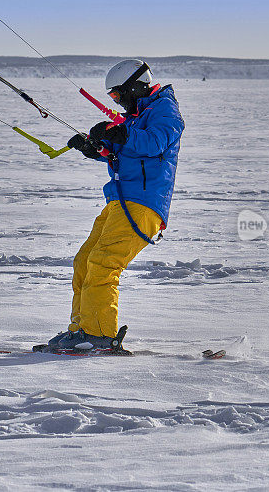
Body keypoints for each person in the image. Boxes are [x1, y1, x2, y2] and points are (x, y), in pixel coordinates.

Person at [45, 59, 185, 351]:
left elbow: (155, 142)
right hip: (121, 200)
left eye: (118, 95)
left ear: (135, 87)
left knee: (103, 263)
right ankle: (82, 330)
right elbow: (125, 151)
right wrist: (96, 148)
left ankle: (98, 335)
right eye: (113, 98)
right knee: (84, 261)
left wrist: (120, 133)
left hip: (143, 203)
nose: (117, 102)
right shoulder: (137, 116)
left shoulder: (164, 110)